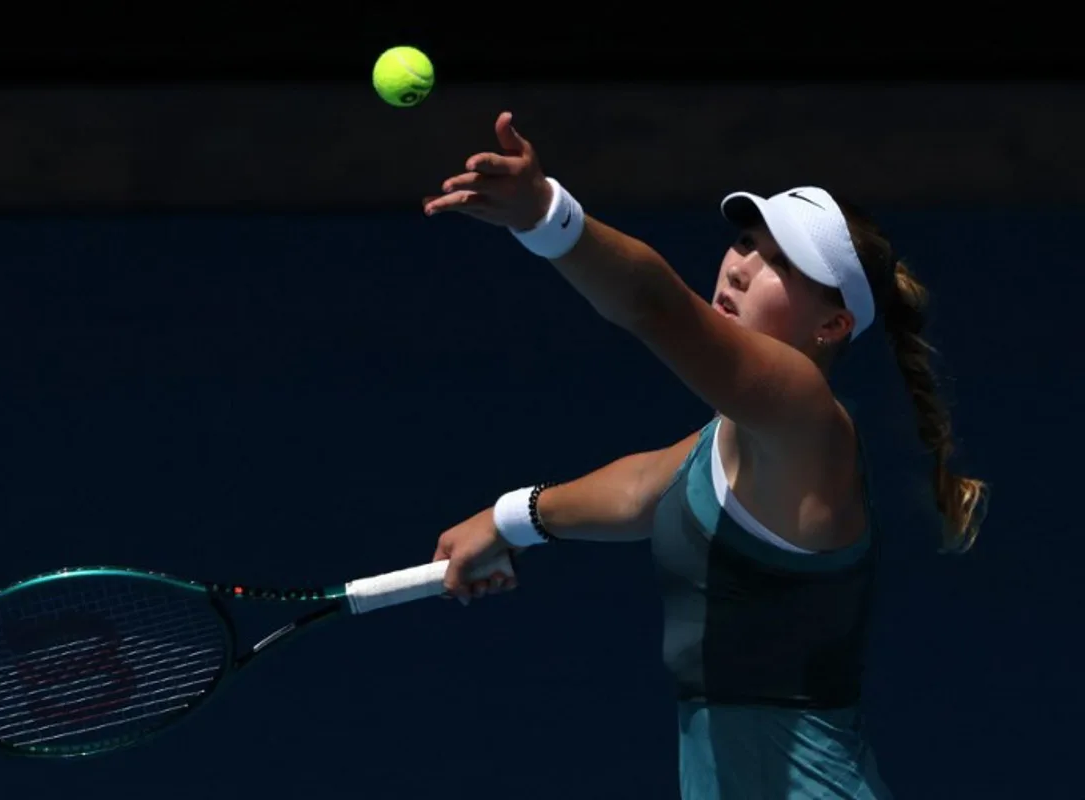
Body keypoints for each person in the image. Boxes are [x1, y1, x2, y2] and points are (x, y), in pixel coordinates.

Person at [422, 111, 988, 799]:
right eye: (747, 243)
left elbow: (655, 307)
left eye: (782, 264)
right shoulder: (735, 441)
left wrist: (547, 215)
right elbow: (640, 490)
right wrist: (508, 519)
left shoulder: (806, 415)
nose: (743, 267)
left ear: (832, 325)